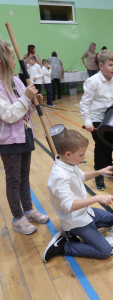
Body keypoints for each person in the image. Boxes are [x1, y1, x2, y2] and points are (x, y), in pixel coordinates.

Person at [43, 130, 113, 262]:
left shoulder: (68, 162)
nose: (84, 157)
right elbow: (69, 206)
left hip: (85, 212)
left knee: (111, 219)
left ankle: (73, 234)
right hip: (75, 219)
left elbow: (81, 175)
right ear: (69, 154)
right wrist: (97, 198)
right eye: (81, 155)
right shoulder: (59, 176)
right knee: (104, 251)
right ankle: (64, 246)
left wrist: (100, 171)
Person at [0, 39, 49, 235]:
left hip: (26, 135)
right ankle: (18, 217)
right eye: (12, 58)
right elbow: (9, 114)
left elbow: (27, 111)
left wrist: (33, 102)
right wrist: (26, 98)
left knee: (25, 177)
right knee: (14, 179)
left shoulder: (17, 80)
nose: (16, 62)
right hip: (9, 141)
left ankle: (28, 210)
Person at [80, 50, 113, 191]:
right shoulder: (93, 82)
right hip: (95, 119)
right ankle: (99, 174)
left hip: (109, 118)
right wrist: (88, 122)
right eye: (110, 65)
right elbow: (84, 103)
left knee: (109, 145)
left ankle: (109, 170)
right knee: (100, 146)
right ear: (101, 66)